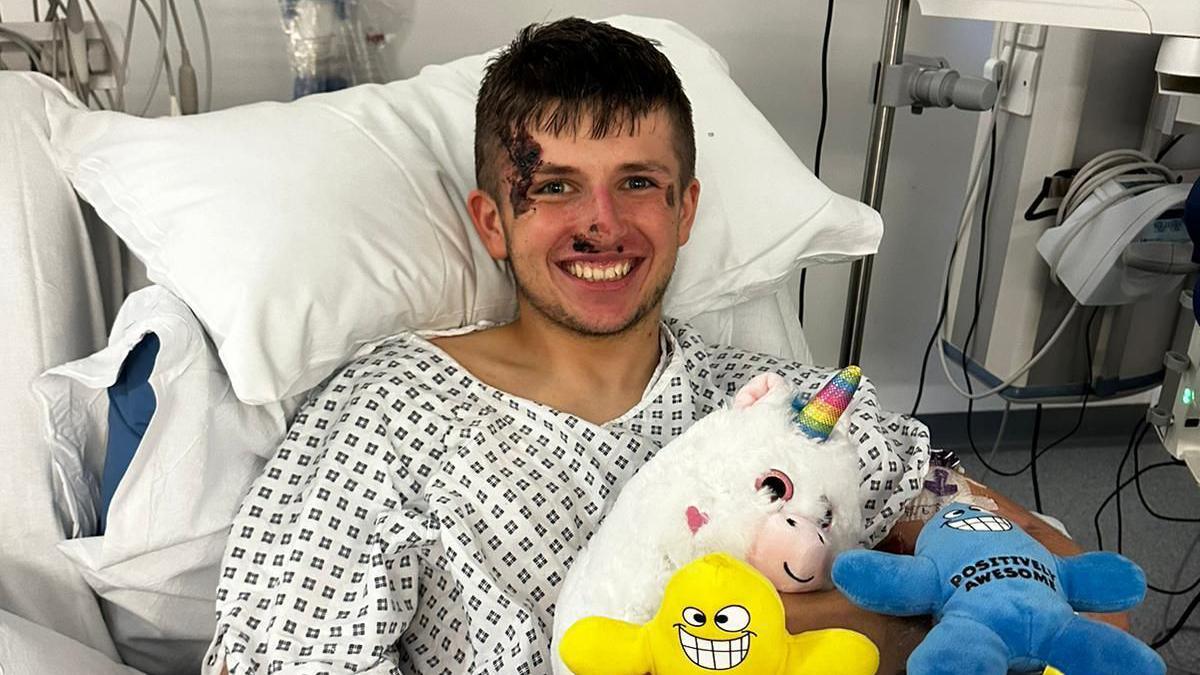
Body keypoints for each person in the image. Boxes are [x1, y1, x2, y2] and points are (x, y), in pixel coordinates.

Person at [206, 17, 1120, 675]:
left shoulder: (796, 411)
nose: (600, 225)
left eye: (636, 182)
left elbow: (1064, 581)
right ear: (493, 220)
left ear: (685, 210)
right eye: (555, 187)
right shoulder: (384, 418)